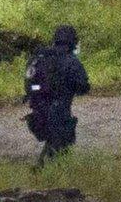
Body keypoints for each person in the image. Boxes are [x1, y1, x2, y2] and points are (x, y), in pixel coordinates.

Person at [24, 25, 90, 167]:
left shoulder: (40, 57)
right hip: (59, 110)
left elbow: (28, 82)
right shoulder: (71, 60)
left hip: (37, 109)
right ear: (73, 41)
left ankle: (44, 168)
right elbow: (83, 87)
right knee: (61, 146)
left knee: (53, 142)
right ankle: (48, 173)